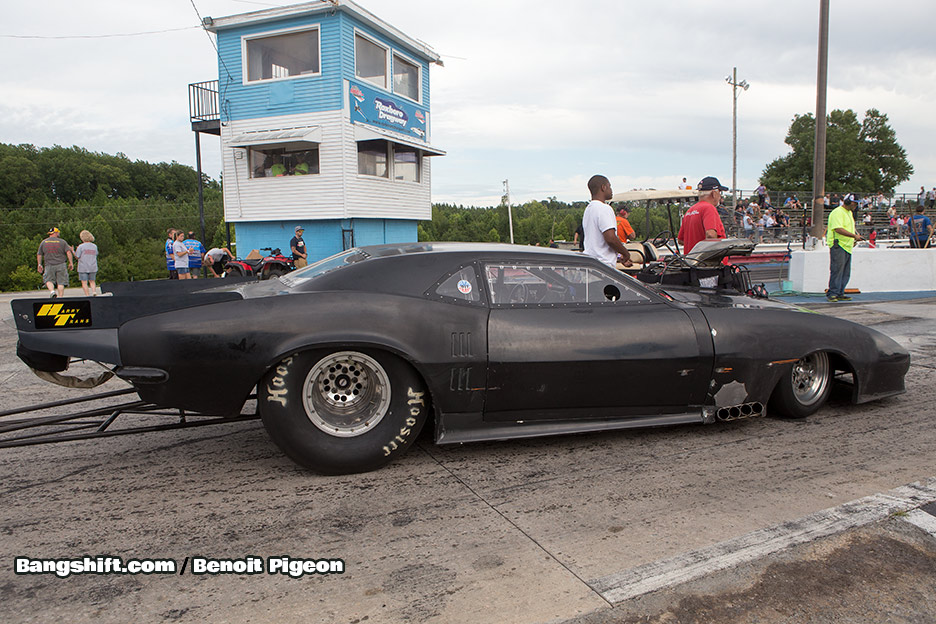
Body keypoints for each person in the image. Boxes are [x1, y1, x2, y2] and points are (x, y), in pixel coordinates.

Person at [581, 175, 631, 268]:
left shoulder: (589, 210)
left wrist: (619, 256)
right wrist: (625, 253)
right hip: (603, 265)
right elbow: (610, 238)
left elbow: (598, 244)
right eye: (609, 186)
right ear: (603, 187)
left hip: (591, 263)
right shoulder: (604, 208)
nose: (611, 190)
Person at [826, 194, 863, 302]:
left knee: (845, 272)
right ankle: (833, 293)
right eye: (854, 202)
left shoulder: (849, 213)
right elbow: (838, 229)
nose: (856, 205)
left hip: (847, 246)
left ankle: (840, 292)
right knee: (837, 270)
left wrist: (853, 239)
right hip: (838, 245)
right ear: (848, 202)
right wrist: (854, 236)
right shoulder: (837, 212)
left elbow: (849, 229)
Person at [677, 176, 728, 254]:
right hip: (707, 264)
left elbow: (681, 240)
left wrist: (695, 246)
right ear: (714, 193)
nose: (720, 196)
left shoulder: (690, 211)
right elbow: (711, 234)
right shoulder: (709, 208)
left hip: (690, 261)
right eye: (719, 192)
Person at [36, 227, 74, 298]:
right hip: (61, 264)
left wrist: (39, 264)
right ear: (56, 233)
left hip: (49, 265)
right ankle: (60, 297)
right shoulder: (62, 242)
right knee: (61, 282)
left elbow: (39, 254)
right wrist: (71, 263)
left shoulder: (44, 242)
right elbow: (68, 252)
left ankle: (52, 291)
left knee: (48, 280)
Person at [74, 230, 99, 296]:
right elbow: (96, 254)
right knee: (92, 281)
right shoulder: (94, 246)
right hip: (93, 266)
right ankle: (94, 291)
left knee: (84, 282)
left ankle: (87, 294)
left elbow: (77, 256)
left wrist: (73, 251)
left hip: (83, 267)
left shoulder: (81, 246)